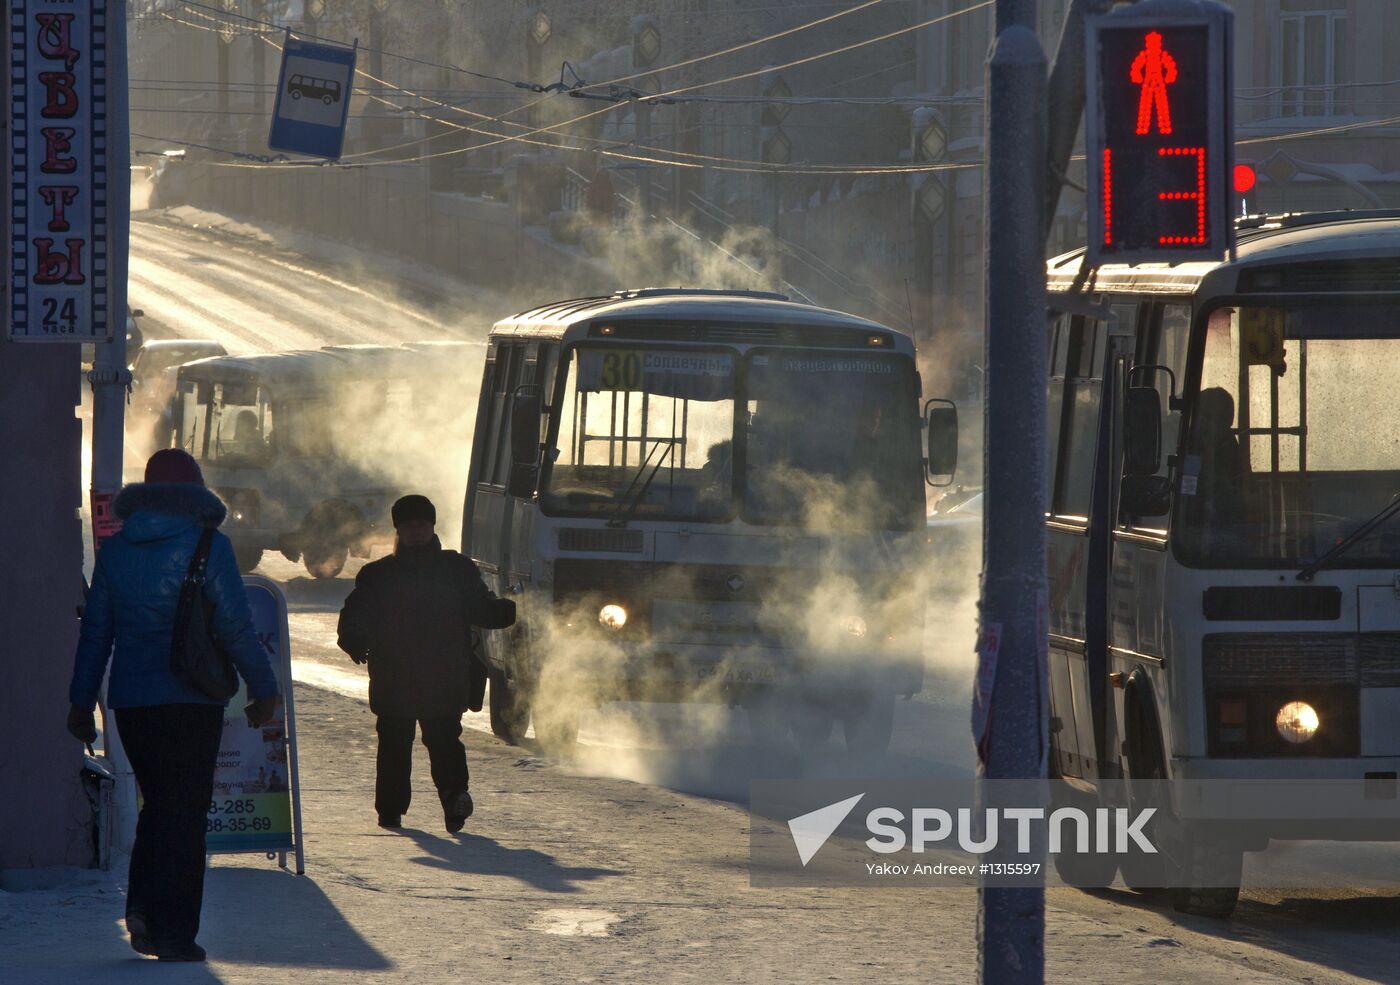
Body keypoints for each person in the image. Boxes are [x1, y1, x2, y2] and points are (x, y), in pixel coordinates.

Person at [66, 448, 279, 963]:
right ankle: (174, 933)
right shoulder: (209, 545)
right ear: (198, 491)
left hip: (134, 705)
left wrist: (80, 702)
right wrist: (263, 688)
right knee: (184, 817)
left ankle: (142, 909)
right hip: (190, 702)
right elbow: (234, 626)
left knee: (159, 808)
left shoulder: (116, 552)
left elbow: (97, 633)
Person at [337, 494, 516, 833]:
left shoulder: (457, 568)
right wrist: (353, 638)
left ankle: (455, 801)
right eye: (409, 526)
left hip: (444, 673)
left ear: (432, 526)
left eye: (422, 524)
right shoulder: (378, 575)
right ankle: (390, 811)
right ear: (398, 530)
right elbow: (355, 614)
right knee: (394, 745)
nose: (416, 531)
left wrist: (503, 611)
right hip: (394, 675)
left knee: (446, 741)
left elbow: (481, 605)